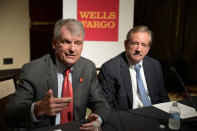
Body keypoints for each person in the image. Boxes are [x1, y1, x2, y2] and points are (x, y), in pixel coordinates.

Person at [5, 19, 110, 131]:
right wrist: (38, 108)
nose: (72, 49)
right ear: (54, 43)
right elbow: (11, 114)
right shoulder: (33, 70)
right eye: (66, 42)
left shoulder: (87, 68)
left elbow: (100, 103)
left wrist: (98, 119)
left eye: (78, 43)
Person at [98, 25, 169, 110]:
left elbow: (163, 98)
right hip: (127, 117)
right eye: (135, 43)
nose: (138, 49)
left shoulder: (155, 66)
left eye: (143, 45)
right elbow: (107, 105)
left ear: (148, 49)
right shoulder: (110, 68)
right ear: (126, 44)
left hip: (155, 114)